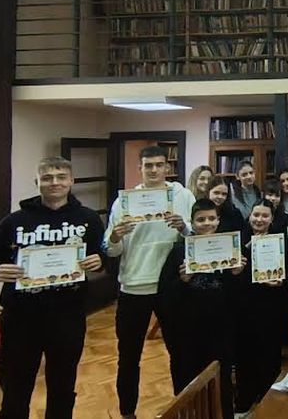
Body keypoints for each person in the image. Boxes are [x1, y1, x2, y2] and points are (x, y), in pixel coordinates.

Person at [0, 157, 104, 419]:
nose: (54, 182)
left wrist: (100, 261)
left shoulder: (89, 219)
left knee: (63, 387)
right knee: (15, 387)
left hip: (68, 316)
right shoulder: (14, 221)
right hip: (21, 317)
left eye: (61, 177)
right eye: (47, 178)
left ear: (71, 181)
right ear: (37, 182)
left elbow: (104, 257)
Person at [103, 145, 194, 419]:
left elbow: (197, 237)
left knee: (181, 352)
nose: (154, 170)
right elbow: (111, 250)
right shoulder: (123, 202)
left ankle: (184, 407)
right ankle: (127, 412)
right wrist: (116, 236)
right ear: (140, 169)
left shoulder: (183, 196)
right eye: (148, 166)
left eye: (158, 165)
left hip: (171, 286)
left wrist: (183, 227)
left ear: (167, 167)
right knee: (128, 357)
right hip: (134, 285)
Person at [158, 199, 245, 418]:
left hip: (220, 331)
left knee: (221, 382)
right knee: (188, 384)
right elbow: (164, 296)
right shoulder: (179, 252)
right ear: (192, 222)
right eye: (201, 219)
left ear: (218, 220)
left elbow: (240, 298)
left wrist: (236, 275)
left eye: (211, 218)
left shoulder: (230, 249)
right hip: (188, 333)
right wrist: (183, 281)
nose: (207, 223)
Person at [234, 202, 288, 414]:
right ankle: (245, 399)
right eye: (256, 215)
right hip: (244, 308)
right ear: (250, 216)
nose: (259, 219)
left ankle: (267, 400)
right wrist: (236, 273)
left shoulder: (281, 241)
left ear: (272, 219)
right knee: (245, 354)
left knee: (270, 354)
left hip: (272, 308)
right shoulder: (238, 241)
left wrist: (282, 280)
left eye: (265, 216)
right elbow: (228, 274)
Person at [206, 175, 249, 242]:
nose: (220, 197)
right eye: (216, 193)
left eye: (224, 194)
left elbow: (242, 238)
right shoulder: (200, 210)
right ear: (208, 191)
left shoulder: (235, 213)